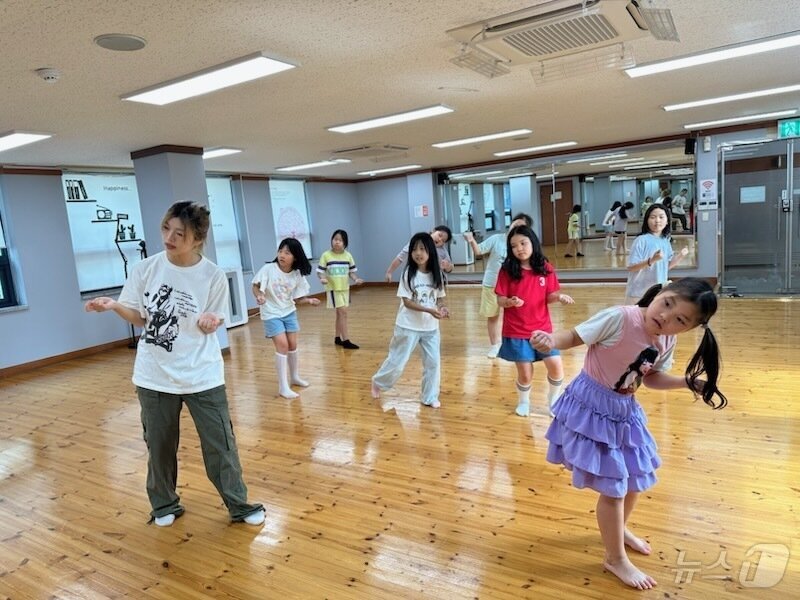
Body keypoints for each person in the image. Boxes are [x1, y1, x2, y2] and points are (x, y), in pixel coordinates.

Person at [531, 278, 727, 590]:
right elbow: (572, 336)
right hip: (591, 406)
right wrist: (548, 339)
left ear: (690, 329)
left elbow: (650, 379)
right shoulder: (620, 318)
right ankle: (614, 558)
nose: (666, 317)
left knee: (635, 478)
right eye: (667, 303)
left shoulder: (666, 341)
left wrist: (685, 383)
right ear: (661, 292)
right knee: (614, 489)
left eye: (681, 320)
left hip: (624, 410)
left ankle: (617, 529)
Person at [84, 201, 265, 527]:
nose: (169, 237)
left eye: (179, 233)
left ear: (197, 239)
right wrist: (114, 306)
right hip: (154, 375)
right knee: (160, 446)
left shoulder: (212, 275)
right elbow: (140, 318)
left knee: (221, 445)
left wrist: (211, 320)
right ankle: (164, 504)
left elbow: (216, 316)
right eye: (166, 227)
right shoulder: (145, 269)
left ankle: (239, 505)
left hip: (202, 374)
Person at [495, 225, 574, 417]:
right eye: (514, 246)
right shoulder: (507, 271)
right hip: (516, 331)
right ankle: (524, 402)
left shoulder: (545, 268)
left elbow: (550, 296)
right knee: (525, 373)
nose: (519, 248)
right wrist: (510, 301)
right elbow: (500, 301)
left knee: (556, 366)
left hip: (542, 330)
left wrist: (559, 297)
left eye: (523, 243)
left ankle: (553, 400)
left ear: (533, 243)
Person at [371, 232, 449, 408]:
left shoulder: (437, 275)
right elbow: (407, 302)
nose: (418, 253)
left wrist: (442, 308)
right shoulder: (409, 274)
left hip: (430, 328)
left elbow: (440, 298)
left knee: (433, 363)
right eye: (414, 249)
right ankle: (378, 381)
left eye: (422, 248)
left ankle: (429, 396)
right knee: (397, 362)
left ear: (430, 251)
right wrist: (429, 310)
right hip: (408, 326)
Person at [252, 238, 320, 399]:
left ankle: (295, 377)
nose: (282, 255)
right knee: (282, 345)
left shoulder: (297, 275)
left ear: (295, 257)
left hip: (288, 312)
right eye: (280, 251)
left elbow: (297, 299)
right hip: (271, 313)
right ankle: (283, 387)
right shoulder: (269, 268)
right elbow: (255, 285)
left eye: (287, 252)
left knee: (292, 344)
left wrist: (309, 301)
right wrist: (260, 295)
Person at [462, 213, 533, 358]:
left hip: (514, 287)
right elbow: (478, 251)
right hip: (491, 285)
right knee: (492, 316)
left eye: (521, 226)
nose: (516, 227)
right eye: (515, 223)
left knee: (518, 317)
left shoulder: (525, 246)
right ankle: (495, 345)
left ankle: (519, 343)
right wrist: (471, 240)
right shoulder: (497, 239)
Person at [625, 204, 690, 304]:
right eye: (653, 217)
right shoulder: (641, 240)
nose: (657, 220)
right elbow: (631, 267)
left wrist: (680, 256)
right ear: (647, 220)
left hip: (657, 292)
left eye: (661, 217)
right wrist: (652, 260)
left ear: (667, 221)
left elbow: (666, 266)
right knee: (636, 319)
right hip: (638, 293)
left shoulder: (665, 241)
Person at [316, 229, 364, 349]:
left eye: (340, 240)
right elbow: (320, 272)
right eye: (335, 239)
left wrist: (356, 279)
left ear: (345, 243)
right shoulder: (326, 255)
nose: (337, 242)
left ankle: (337, 338)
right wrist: (322, 279)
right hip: (333, 289)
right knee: (343, 312)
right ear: (332, 240)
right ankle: (346, 340)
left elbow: (351, 273)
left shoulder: (348, 256)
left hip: (345, 289)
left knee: (340, 314)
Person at [385, 225, 453, 281]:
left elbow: (450, 268)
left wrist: (447, 267)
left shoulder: (442, 250)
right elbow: (400, 257)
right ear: (434, 230)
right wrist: (389, 272)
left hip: (435, 281)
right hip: (418, 278)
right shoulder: (417, 241)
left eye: (443, 240)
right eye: (440, 235)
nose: (439, 239)